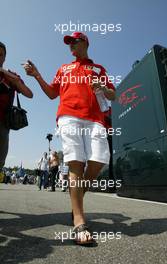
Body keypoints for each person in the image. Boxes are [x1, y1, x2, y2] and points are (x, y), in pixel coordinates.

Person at [23, 32, 116, 244]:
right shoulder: (63, 69)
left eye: (74, 41)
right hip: (68, 116)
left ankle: (76, 199)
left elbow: (113, 95)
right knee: (76, 163)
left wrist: (102, 87)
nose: (71, 46)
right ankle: (79, 221)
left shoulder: (98, 68)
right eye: (69, 43)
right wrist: (37, 74)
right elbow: (51, 93)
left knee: (99, 160)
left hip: (95, 119)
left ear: (85, 43)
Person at [0, 41, 33, 171]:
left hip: (2, 123)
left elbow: (29, 94)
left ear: (4, 57)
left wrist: (15, 80)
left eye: (1, 54)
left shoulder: (10, 75)